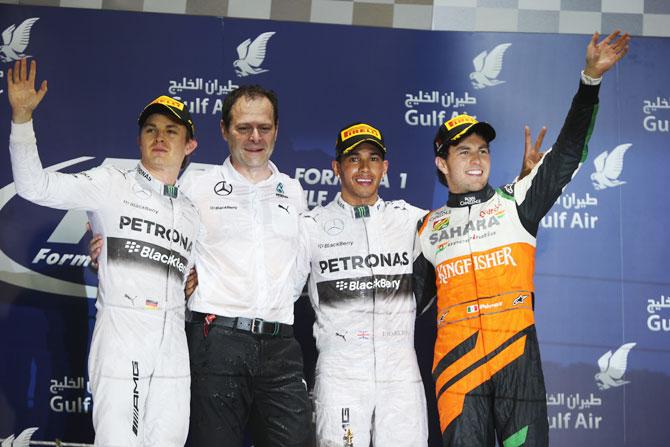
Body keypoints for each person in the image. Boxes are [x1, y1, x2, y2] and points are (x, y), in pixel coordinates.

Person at [417, 31, 630, 447]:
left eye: (482, 150)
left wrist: (589, 81)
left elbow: (568, 153)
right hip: (458, 372)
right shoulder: (425, 228)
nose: (476, 158)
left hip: (517, 361)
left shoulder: (517, 201)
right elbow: (397, 303)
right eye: (463, 151)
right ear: (442, 163)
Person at [7, 58, 201, 446]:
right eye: (150, 129)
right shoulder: (110, 184)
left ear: (189, 144)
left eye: (171, 130)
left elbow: (196, 279)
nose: (159, 137)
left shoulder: (192, 213)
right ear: (139, 140)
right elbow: (34, 187)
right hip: (123, 334)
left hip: (175, 346)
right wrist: (22, 120)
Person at [180, 85, 312, 446]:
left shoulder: (293, 190)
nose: (255, 137)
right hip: (217, 340)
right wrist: (105, 242)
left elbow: (303, 263)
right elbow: (164, 243)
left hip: (281, 344)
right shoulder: (197, 186)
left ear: (276, 130)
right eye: (243, 128)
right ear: (224, 130)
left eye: (264, 128)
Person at [296, 123, 429, 446]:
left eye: (373, 159)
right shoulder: (311, 227)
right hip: (340, 371)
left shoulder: (411, 219)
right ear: (336, 168)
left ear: (385, 168)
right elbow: (270, 281)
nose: (365, 168)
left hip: (400, 373)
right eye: (354, 159)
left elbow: (467, 231)